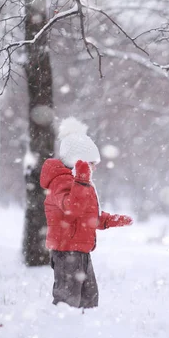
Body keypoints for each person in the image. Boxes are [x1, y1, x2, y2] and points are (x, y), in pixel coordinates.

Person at [40, 118, 133, 308]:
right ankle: (61, 330)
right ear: (79, 163)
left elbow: (87, 216)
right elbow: (71, 208)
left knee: (89, 300)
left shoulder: (79, 184)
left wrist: (112, 220)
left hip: (81, 251)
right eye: (92, 163)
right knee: (68, 301)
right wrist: (82, 181)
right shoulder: (61, 182)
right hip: (67, 252)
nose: (95, 167)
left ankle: (84, 332)